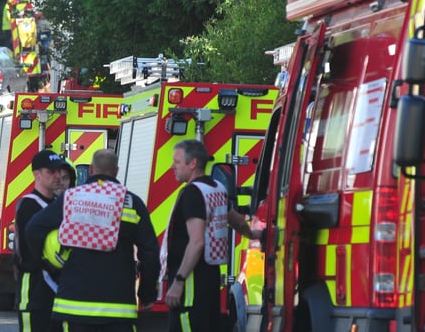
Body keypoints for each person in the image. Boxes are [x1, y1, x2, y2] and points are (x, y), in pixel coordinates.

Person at [26, 149, 160, 332]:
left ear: (91, 169)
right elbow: (150, 252)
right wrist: (146, 294)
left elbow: (33, 229)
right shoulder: (132, 203)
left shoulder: (71, 198)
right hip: (118, 308)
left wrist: (52, 265)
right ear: (116, 171)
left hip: (74, 304)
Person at [163, 139, 261, 332]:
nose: (172, 166)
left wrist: (178, 281)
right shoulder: (215, 188)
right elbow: (238, 221)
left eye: (177, 162)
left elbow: (197, 242)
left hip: (190, 281)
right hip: (209, 279)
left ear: (192, 164)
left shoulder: (192, 193)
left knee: (185, 325)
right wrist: (256, 234)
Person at [15, 149, 65, 332]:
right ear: (37, 174)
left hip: (56, 289)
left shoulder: (58, 204)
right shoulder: (29, 205)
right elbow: (28, 251)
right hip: (34, 288)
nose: (58, 176)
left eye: (59, 171)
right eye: (51, 171)